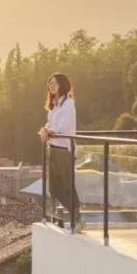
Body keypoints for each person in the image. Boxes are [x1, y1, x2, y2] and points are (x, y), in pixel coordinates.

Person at [38, 72, 83, 232]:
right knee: (55, 188)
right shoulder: (54, 106)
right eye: (49, 83)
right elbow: (50, 124)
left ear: (62, 85)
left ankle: (77, 217)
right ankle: (74, 215)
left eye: (55, 83)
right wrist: (45, 128)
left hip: (65, 149)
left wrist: (48, 130)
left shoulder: (68, 104)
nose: (51, 85)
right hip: (53, 149)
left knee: (67, 186)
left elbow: (62, 129)